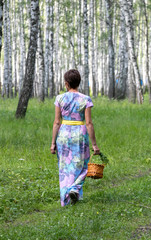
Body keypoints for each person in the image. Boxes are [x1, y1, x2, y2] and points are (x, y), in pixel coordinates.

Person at [50, 69, 100, 206]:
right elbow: (89, 123)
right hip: (79, 134)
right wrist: (95, 144)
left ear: (66, 83)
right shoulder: (85, 99)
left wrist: (53, 143)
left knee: (64, 168)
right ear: (79, 83)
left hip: (63, 134)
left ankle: (66, 200)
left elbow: (56, 122)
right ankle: (74, 189)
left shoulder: (59, 99)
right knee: (83, 166)